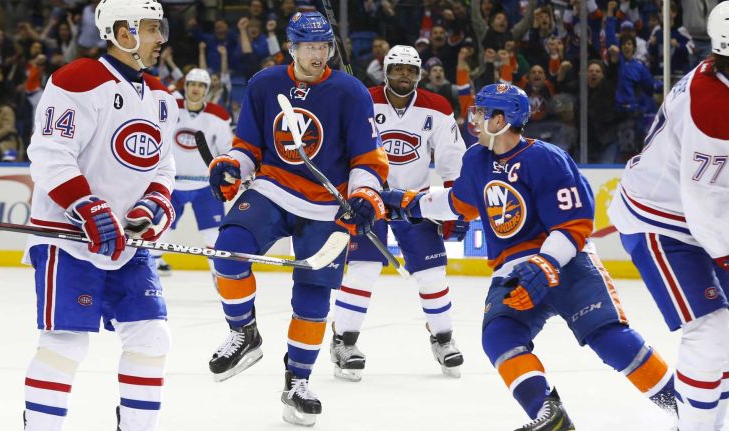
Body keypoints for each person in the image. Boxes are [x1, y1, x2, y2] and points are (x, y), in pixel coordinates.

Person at [381, 84, 677, 430]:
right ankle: (550, 415)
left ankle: (683, 407)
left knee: (606, 335)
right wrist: (407, 202)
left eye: (481, 112)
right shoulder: (476, 159)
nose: (473, 119)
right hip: (514, 267)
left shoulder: (546, 159)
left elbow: (575, 223)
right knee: (499, 336)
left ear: (502, 120)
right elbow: (459, 203)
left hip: (568, 262)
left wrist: (546, 262)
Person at [206, 11, 388, 427]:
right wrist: (230, 166)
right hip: (272, 188)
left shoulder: (351, 91)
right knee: (228, 251)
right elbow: (248, 146)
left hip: (327, 203)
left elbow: (368, 158)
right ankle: (244, 333)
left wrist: (364, 195)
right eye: (309, 46)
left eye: (324, 46)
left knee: (312, 298)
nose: (318, 54)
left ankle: (298, 381)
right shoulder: (265, 83)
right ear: (292, 47)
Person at [22, 1, 177, 430]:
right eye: (151, 28)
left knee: (151, 335)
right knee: (66, 342)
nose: (160, 38)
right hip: (67, 239)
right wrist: (89, 210)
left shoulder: (163, 97)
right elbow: (51, 155)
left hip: (127, 245)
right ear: (124, 33)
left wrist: (152, 207)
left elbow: (163, 167)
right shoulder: (78, 80)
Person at [608, 3, 729, 430]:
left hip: (700, 219)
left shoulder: (718, 74)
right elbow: (705, 198)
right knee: (711, 328)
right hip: (662, 222)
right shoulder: (714, 105)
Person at [330, 45, 468, 382]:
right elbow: (342, 147)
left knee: (432, 273)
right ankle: (343, 342)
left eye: (410, 70)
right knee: (363, 269)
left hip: (414, 201)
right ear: (386, 72)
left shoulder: (436, 107)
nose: (403, 75)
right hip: (368, 199)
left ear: (419, 74)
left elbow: (452, 158)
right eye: (397, 69)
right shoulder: (364, 100)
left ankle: (443, 339)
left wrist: (456, 203)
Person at [152, 68, 232, 277]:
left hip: (205, 185)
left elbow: (226, 149)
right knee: (159, 230)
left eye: (200, 85)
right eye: (192, 84)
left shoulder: (218, 116)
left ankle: (220, 276)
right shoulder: (169, 108)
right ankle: (153, 266)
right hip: (171, 183)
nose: (196, 89)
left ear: (207, 89)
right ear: (185, 86)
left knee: (213, 236)